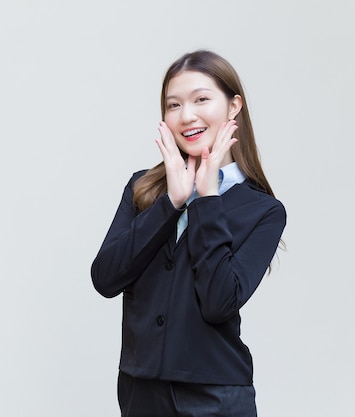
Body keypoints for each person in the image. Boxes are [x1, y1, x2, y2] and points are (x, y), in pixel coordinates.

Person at [90, 49, 287, 417]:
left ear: (233, 107)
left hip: (215, 395)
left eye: (201, 99)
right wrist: (171, 203)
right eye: (174, 104)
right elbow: (105, 278)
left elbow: (218, 302)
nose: (187, 115)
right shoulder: (143, 189)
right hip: (140, 390)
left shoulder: (264, 211)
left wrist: (207, 199)